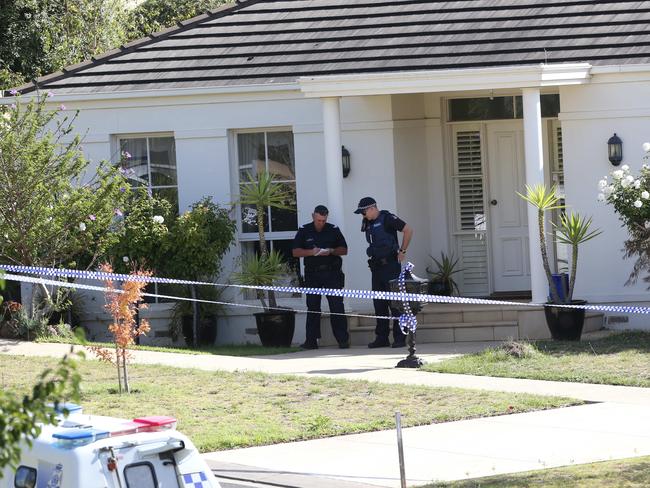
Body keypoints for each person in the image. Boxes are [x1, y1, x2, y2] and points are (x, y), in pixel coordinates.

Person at [354, 196, 413, 348]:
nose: (362, 215)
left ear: (372, 208)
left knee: (395, 303)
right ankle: (382, 338)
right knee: (379, 304)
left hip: (391, 266)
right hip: (376, 268)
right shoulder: (368, 222)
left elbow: (408, 230)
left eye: (363, 212)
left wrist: (403, 250)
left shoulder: (388, 218)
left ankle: (400, 338)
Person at [292, 205, 350, 350]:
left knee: (337, 306)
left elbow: (344, 249)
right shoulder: (304, 230)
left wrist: (331, 251)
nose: (321, 223)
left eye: (324, 220)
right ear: (313, 216)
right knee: (312, 307)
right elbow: (295, 252)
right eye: (318, 220)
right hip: (313, 274)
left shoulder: (333, 229)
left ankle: (343, 340)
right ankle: (311, 341)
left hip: (332, 274)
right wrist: (312, 252)